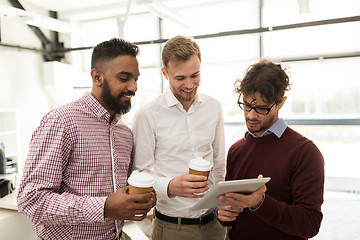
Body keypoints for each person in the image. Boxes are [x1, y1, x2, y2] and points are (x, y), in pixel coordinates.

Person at [17, 38, 156, 240]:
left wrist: (142, 198)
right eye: (124, 78)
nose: (133, 87)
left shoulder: (124, 132)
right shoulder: (61, 122)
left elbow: (122, 193)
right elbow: (31, 200)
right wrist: (105, 207)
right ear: (97, 77)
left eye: (136, 78)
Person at [217, 59, 325, 240]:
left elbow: (310, 224)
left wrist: (261, 203)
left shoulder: (305, 152)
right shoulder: (236, 150)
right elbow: (230, 213)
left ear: (281, 102)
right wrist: (223, 214)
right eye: (247, 105)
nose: (251, 115)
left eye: (261, 108)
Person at [131, 35, 226, 240]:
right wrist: (170, 186)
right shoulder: (148, 114)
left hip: (215, 225)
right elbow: (139, 174)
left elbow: (219, 163)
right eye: (180, 78)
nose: (190, 84)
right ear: (165, 73)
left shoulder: (213, 107)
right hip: (173, 228)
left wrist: (223, 205)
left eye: (195, 75)